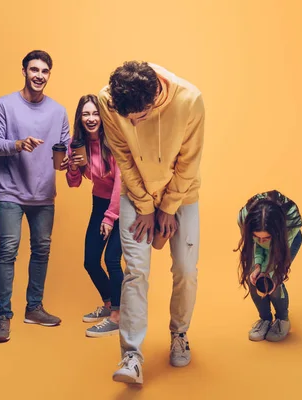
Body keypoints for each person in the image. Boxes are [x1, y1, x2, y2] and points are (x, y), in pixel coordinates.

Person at [97, 61, 206, 384]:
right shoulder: (108, 100)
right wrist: (145, 205)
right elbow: (122, 155)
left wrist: (168, 208)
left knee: (186, 269)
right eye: (128, 118)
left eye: (140, 118)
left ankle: (180, 333)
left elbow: (190, 161)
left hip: (181, 194)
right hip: (136, 194)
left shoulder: (190, 99)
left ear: (156, 94)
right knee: (136, 272)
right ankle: (131, 355)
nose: (133, 123)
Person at [0, 50, 70, 343]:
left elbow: (66, 147)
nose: (39, 76)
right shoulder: (4, 105)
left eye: (44, 71)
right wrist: (18, 144)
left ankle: (34, 308)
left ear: (49, 75)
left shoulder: (58, 111)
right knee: (8, 252)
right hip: (10, 191)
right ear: (23, 71)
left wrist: (74, 159)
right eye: (34, 69)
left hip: (44, 194)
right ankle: (3, 316)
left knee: (42, 251)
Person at [64, 94, 123, 338]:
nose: (91, 119)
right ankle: (109, 303)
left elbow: (122, 182)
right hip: (99, 202)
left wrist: (110, 217)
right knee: (90, 261)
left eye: (95, 113)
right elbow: (74, 183)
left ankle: (118, 316)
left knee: (111, 259)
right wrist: (73, 168)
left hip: (124, 204)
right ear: (80, 117)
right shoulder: (77, 144)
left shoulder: (115, 141)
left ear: (103, 116)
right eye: (86, 114)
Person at [235, 190, 302, 342]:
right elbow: (255, 245)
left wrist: (269, 272)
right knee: (252, 277)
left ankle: (282, 320)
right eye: (257, 236)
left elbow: (277, 257)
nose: (262, 240)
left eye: (266, 237)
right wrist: (258, 265)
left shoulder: (291, 220)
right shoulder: (244, 218)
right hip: (260, 237)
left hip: (286, 240)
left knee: (274, 279)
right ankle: (264, 319)